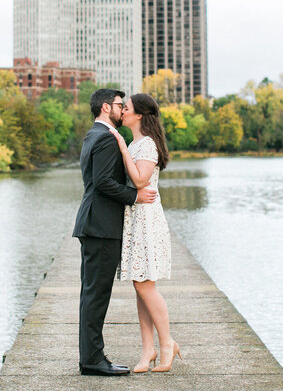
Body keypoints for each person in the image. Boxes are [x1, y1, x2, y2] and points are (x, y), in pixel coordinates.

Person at [72, 88, 157, 377]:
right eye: (120, 106)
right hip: (101, 226)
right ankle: (93, 360)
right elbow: (103, 182)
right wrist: (135, 197)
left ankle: (90, 358)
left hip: (94, 224)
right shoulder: (107, 138)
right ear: (107, 107)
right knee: (96, 295)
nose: (123, 110)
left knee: (91, 294)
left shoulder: (93, 134)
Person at [110, 93, 182, 373]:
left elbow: (140, 180)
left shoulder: (147, 145)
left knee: (144, 285)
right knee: (140, 287)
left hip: (147, 221)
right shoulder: (136, 142)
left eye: (125, 108)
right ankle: (147, 349)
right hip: (135, 219)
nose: (122, 112)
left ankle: (167, 344)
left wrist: (121, 147)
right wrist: (125, 146)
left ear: (139, 114)